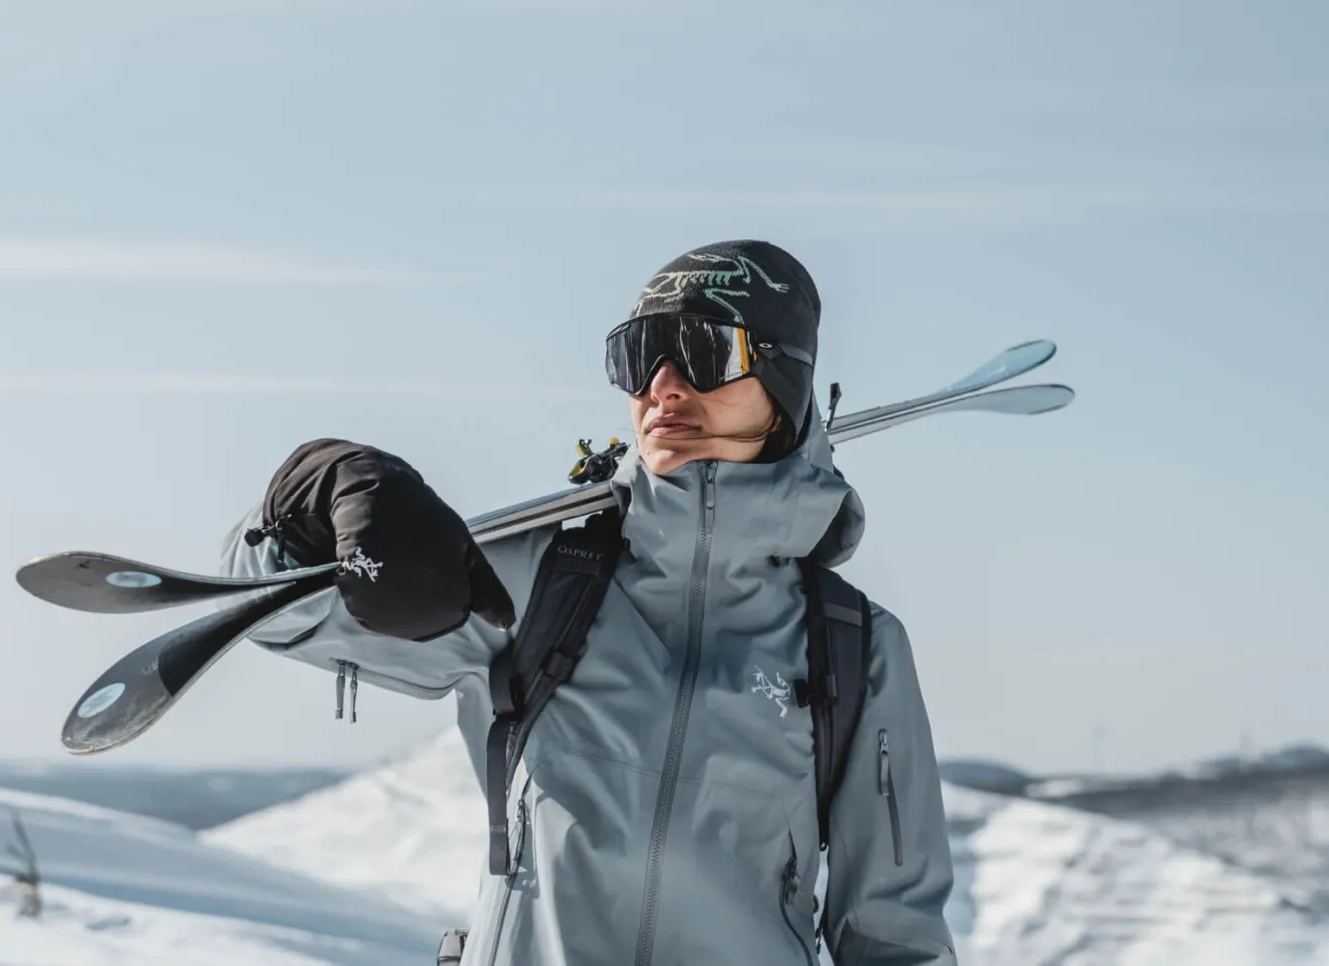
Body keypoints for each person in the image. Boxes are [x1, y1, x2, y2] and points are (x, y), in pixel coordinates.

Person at [220, 240, 957, 965]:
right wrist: (314, 492)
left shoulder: (853, 646)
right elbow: (280, 616)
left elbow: (895, 937)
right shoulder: (545, 582)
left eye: (703, 350)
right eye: (640, 355)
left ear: (784, 379)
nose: (663, 385)